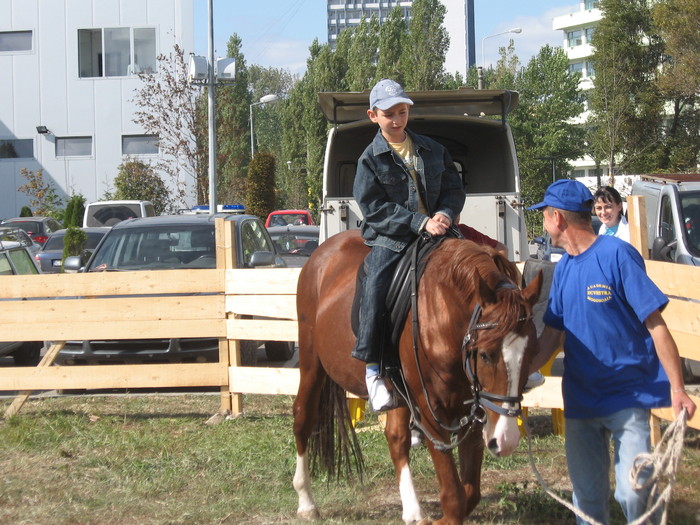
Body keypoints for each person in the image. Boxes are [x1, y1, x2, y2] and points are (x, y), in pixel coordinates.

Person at [528, 179, 696, 525]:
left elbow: (656, 325)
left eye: (544, 215)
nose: (543, 223)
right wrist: (516, 380)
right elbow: (551, 338)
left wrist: (678, 389)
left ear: (557, 217)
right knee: (587, 499)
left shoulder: (616, 255)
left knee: (632, 492)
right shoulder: (563, 271)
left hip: (627, 397)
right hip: (581, 401)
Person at [353, 79, 466, 411]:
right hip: (392, 237)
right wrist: (419, 223)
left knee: (483, 266)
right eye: (389, 114)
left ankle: (500, 354)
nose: (397, 119)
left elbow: (452, 188)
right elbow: (373, 209)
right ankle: (372, 369)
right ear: (373, 115)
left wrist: (445, 214)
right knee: (375, 284)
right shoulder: (370, 159)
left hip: (439, 230)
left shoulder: (432, 149)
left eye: (402, 112)